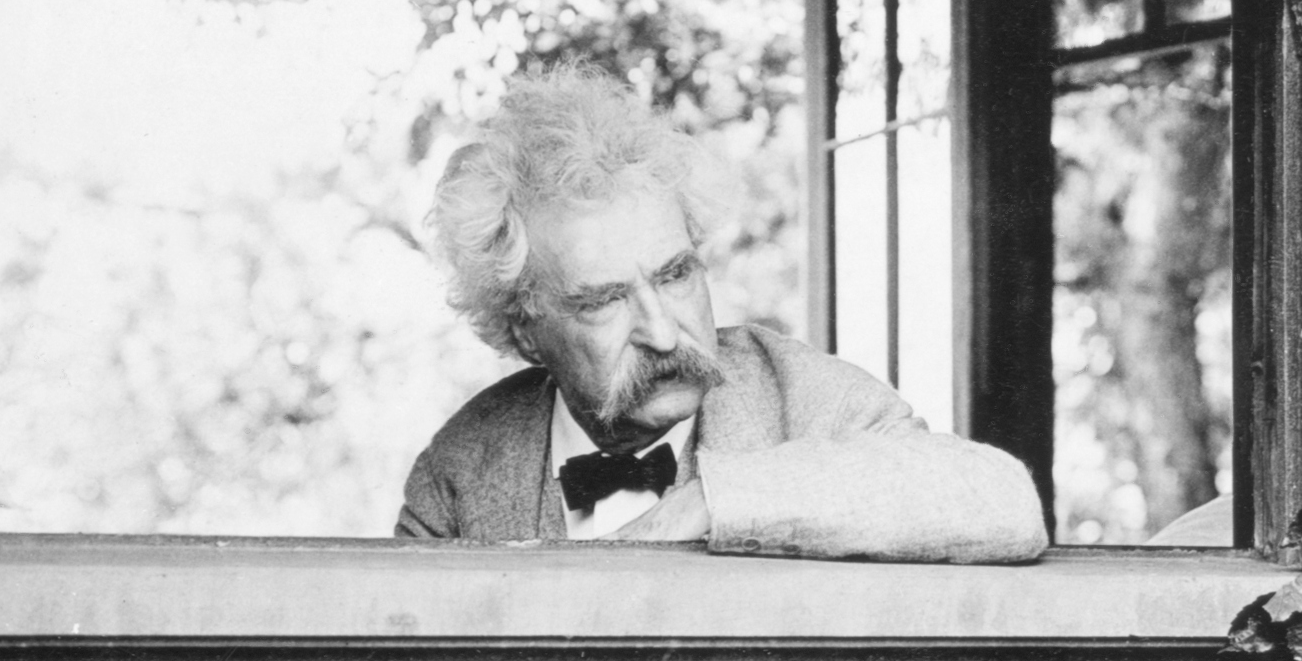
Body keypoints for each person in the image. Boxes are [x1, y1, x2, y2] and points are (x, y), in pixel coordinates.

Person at [395, 71, 1047, 561]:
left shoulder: (801, 395)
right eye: (604, 300)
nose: (663, 331)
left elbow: (1003, 502)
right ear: (523, 332)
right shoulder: (459, 470)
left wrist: (715, 501)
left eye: (676, 275)